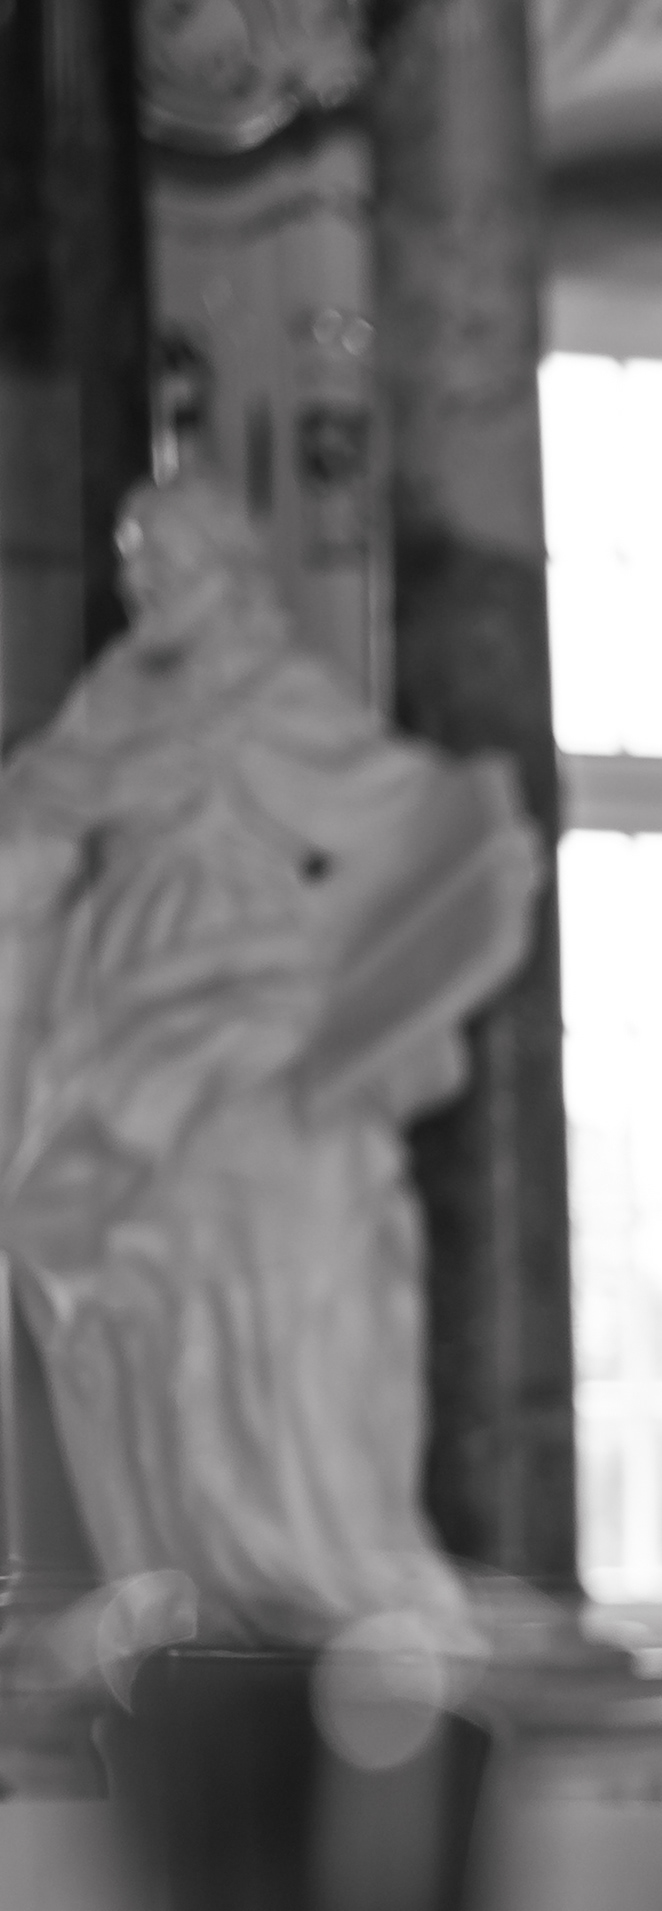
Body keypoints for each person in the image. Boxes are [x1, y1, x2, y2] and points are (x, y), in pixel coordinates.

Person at [0, 475, 537, 1638]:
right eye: (133, 558)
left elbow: (410, 819)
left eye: (167, 557)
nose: (144, 580)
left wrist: (438, 890)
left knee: (280, 1268)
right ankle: (171, 1568)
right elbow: (33, 834)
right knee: (122, 1290)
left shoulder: (274, 693)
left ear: (228, 566)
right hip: (113, 1028)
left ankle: (311, 1554)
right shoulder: (108, 709)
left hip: (242, 1019)